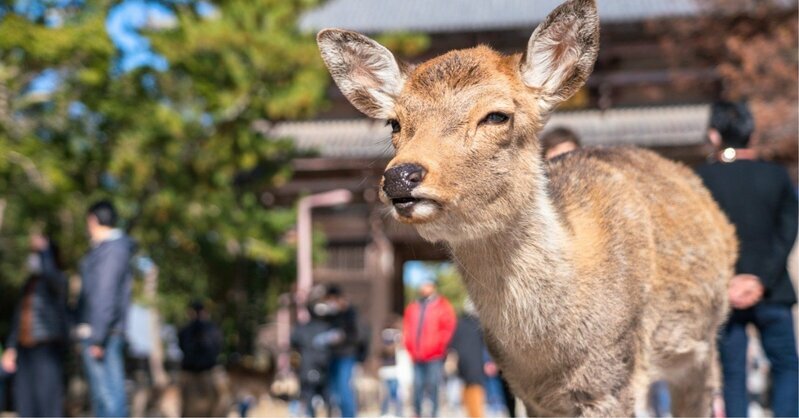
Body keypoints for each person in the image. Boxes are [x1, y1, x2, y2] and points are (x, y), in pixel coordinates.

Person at [696, 101, 798, 418]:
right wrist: (760, 279)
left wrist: (730, 280)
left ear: (714, 136)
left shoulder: (700, 180)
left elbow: (700, 239)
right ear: (751, 134)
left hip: (725, 293)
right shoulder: (777, 177)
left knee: (732, 374)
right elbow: (788, 232)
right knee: (786, 367)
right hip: (773, 290)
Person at [77, 200, 136, 417]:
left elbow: (104, 295)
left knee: (109, 397)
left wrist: (97, 337)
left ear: (93, 220)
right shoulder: (110, 250)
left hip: (104, 333)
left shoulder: (112, 251)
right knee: (104, 397)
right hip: (103, 332)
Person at [2, 232, 67, 417]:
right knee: (25, 403)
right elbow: (19, 317)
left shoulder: (58, 280)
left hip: (46, 348)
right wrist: (11, 347)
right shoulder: (29, 283)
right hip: (25, 349)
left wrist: (44, 250)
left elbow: (51, 275)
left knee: (47, 404)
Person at [403, 277, 456, 417]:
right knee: (417, 385)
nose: (423, 288)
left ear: (433, 287)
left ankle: (434, 413)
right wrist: (409, 347)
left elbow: (448, 328)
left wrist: (440, 346)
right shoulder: (413, 306)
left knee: (433, 384)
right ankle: (417, 412)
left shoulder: (442, 306)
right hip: (416, 354)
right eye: (422, 285)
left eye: (427, 285)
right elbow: (407, 329)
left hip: (434, 354)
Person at [291, 287, 334, 417]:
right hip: (322, 367)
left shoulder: (302, 328)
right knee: (327, 399)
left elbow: (294, 343)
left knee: (311, 399)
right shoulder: (331, 328)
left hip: (310, 367)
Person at [178, 300, 224, 417]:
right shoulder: (213, 329)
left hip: (193, 372)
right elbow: (217, 348)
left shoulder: (185, 330)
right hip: (204, 372)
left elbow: (182, 347)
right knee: (219, 402)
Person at [323, 285, 359, 417]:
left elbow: (358, 336)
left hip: (346, 356)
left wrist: (341, 336)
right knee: (333, 392)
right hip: (332, 356)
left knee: (344, 390)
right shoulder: (330, 315)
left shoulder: (350, 313)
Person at [448, 300, 487, 418]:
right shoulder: (478, 324)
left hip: (463, 363)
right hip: (475, 363)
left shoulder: (459, 323)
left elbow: (452, 344)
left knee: (468, 389)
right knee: (475, 390)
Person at [378, 319, 403, 417]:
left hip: (395, 369)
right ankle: (384, 412)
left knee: (395, 393)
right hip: (386, 369)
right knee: (385, 393)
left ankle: (398, 413)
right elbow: (385, 350)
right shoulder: (386, 335)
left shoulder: (397, 335)